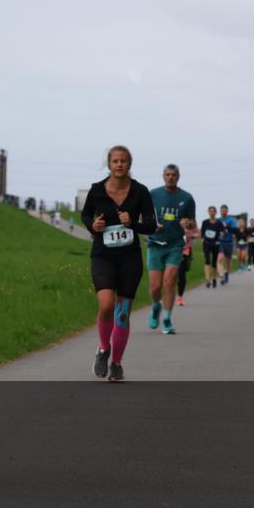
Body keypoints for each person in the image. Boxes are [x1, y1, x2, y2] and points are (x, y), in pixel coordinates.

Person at [81, 145, 158, 382]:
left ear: (129, 164)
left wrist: (132, 223)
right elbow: (85, 216)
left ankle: (117, 363)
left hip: (129, 258)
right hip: (103, 255)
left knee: (122, 313)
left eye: (123, 161)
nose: (119, 165)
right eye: (115, 161)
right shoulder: (96, 191)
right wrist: (93, 226)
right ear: (109, 163)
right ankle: (104, 349)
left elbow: (151, 225)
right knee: (106, 305)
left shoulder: (140, 192)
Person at [146, 164, 196, 334]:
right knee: (155, 287)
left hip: (175, 244)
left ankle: (167, 320)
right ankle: (155, 307)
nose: (170, 177)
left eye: (174, 174)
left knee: (169, 282)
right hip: (154, 243)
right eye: (167, 174)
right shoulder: (153, 194)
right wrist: (152, 224)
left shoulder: (187, 198)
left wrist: (187, 223)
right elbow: (143, 215)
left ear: (178, 176)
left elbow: (192, 222)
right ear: (163, 176)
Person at [199, 205, 226, 288]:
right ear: (208, 212)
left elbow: (223, 231)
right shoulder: (205, 222)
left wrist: (221, 235)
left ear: (215, 212)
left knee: (214, 263)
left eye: (213, 211)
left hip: (215, 244)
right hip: (206, 244)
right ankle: (207, 279)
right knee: (207, 260)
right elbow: (202, 231)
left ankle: (214, 278)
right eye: (210, 211)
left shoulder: (219, 223)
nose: (211, 213)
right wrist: (202, 238)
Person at [177, 224, 198, 306]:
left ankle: (180, 297)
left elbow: (197, 234)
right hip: (173, 249)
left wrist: (191, 235)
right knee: (171, 274)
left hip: (186, 250)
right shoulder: (175, 217)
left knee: (181, 274)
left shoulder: (191, 220)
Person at [217, 204, 237, 285]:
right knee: (220, 259)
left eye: (224, 211)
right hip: (220, 242)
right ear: (220, 211)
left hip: (229, 242)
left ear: (227, 211)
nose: (223, 212)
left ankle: (227, 274)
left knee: (228, 262)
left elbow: (235, 230)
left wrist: (227, 227)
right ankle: (222, 276)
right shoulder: (218, 220)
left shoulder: (231, 220)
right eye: (222, 211)